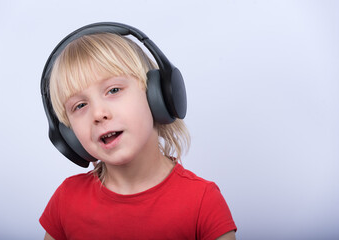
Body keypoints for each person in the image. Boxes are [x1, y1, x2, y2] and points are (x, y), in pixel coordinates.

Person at [40, 23, 237, 240]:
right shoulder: (66, 200)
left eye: (113, 90)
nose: (98, 113)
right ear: (68, 135)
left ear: (157, 96)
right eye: (79, 106)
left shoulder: (203, 202)